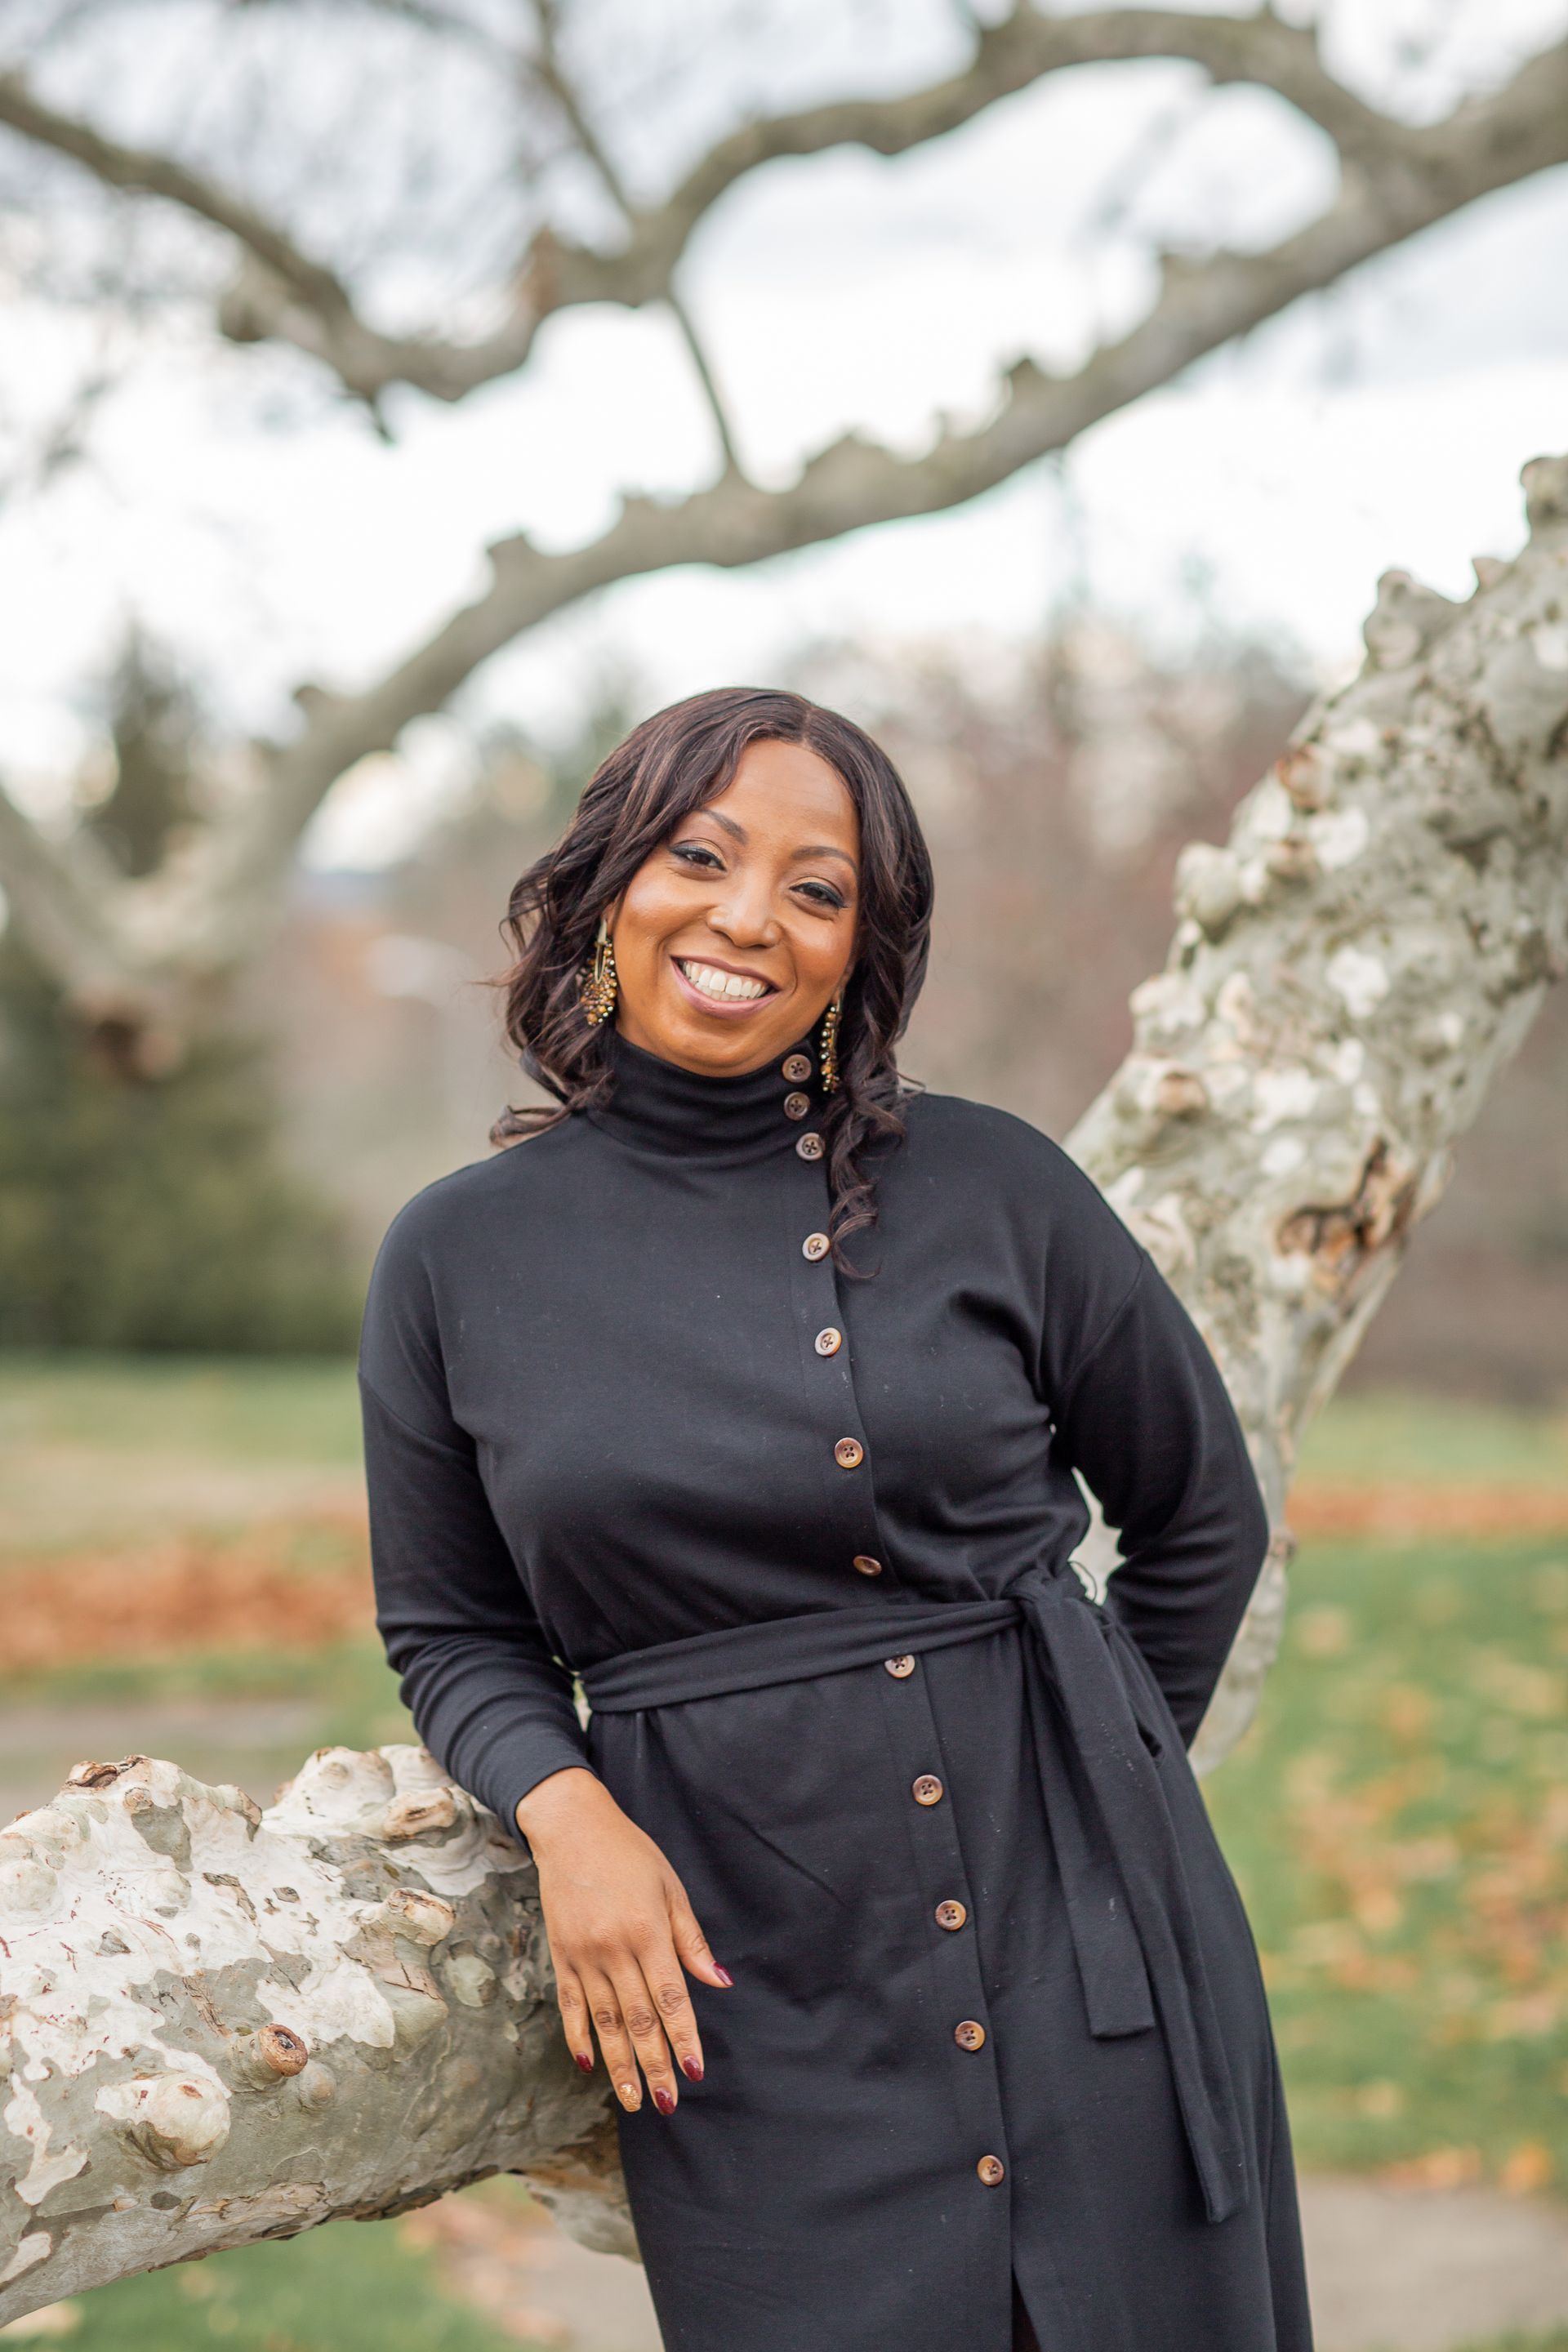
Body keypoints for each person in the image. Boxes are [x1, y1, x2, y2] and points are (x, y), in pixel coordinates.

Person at [359, 687, 1313, 2352]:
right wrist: (567, 1815)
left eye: (818, 888)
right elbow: (451, 1629)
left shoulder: (998, 1187)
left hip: (1093, 1959)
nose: (747, 918)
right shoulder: (455, 1258)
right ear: (610, 885)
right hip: (754, 1996)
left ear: (858, 950)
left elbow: (1201, 1519)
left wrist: (1106, 1801)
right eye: (702, 855)